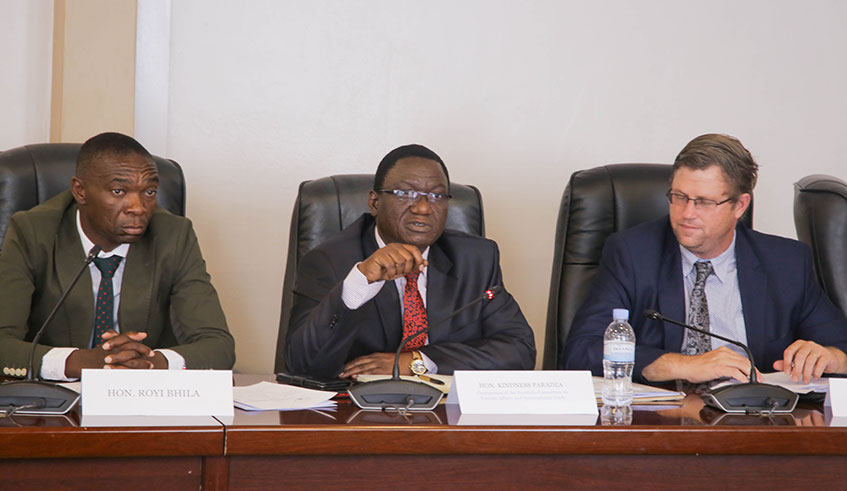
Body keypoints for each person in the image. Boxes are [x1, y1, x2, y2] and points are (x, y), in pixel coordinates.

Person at [564, 133, 847, 385]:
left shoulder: (787, 263)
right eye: (679, 197)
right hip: (667, 423)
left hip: (755, 423)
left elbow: (840, 347)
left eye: (704, 202)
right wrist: (684, 365)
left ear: (740, 205)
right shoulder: (632, 253)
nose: (687, 212)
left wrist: (830, 357)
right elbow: (581, 351)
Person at [285, 144, 535, 379]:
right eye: (406, 193)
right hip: (362, 414)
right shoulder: (329, 261)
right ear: (374, 202)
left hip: (447, 414)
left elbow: (519, 350)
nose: (424, 208)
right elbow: (303, 364)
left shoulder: (476, 259)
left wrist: (417, 362)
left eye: (437, 196)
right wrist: (359, 284)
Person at [0, 132, 235, 380]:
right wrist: (82, 361)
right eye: (118, 191)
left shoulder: (174, 235)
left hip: (143, 398)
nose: (138, 207)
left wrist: (151, 362)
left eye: (149, 192)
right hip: (53, 403)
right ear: (80, 191)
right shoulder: (33, 232)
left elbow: (218, 346)